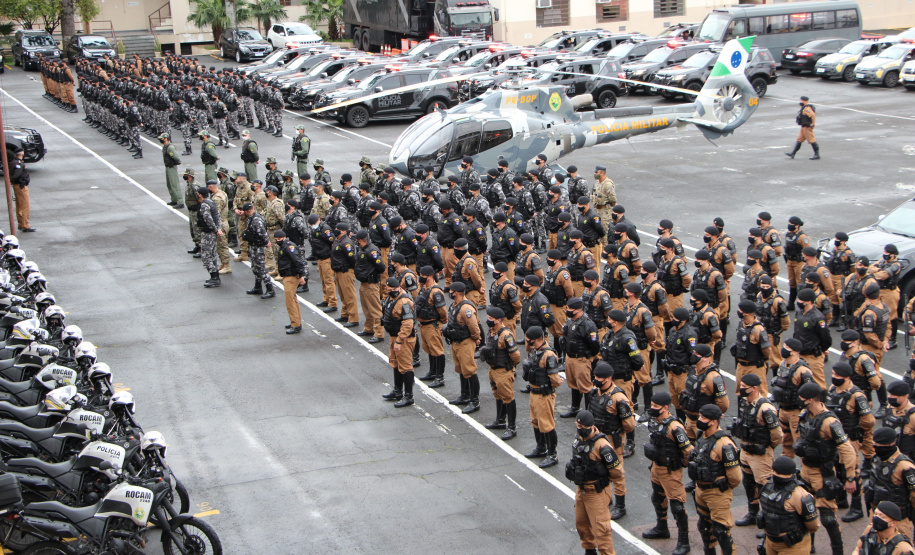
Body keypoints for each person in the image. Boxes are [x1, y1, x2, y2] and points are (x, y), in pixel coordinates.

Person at [794, 381, 858, 555]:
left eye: (801, 398)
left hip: (822, 474)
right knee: (806, 513)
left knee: (828, 518)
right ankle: (810, 547)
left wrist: (850, 477)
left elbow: (847, 450)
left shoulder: (829, 422)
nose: (799, 400)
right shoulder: (805, 415)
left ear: (810, 400)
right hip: (806, 470)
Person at [641, 390, 693, 555]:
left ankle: (684, 542)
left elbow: (688, 451)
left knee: (677, 506)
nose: (652, 408)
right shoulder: (655, 420)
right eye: (651, 405)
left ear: (665, 407)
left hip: (670, 470)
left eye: (655, 406)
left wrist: (681, 464)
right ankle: (662, 527)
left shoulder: (675, 427)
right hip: (657, 467)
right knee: (657, 497)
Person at [566, 409, 622, 555]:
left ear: (591, 426)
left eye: (583, 427)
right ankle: (590, 551)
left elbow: (617, 472)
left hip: (596, 492)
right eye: (578, 426)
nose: (580, 430)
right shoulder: (579, 438)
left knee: (602, 531)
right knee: (582, 525)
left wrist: (606, 486)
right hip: (582, 489)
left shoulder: (602, 445)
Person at [688, 404, 741, 555]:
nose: (700, 420)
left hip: (716, 493)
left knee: (721, 531)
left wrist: (722, 487)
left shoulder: (724, 444)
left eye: (704, 418)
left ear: (714, 421)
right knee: (705, 527)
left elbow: (736, 477)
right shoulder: (702, 436)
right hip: (701, 489)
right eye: (700, 416)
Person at [732, 373, 783, 527]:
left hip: (760, 454)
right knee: (748, 483)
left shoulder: (766, 408)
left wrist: (768, 447)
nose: (741, 389)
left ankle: (768, 520)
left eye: (744, 387)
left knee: (764, 487)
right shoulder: (745, 402)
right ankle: (753, 514)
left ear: (754, 388)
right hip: (746, 451)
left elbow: (777, 435)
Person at [828, 361, 876, 522]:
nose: (834, 377)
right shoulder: (833, 389)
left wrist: (858, 432)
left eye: (837, 375)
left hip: (850, 439)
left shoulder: (857, 395)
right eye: (833, 374)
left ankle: (856, 507)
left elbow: (869, 421)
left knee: (852, 471)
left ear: (847, 377)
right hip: (835, 438)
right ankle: (841, 499)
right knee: (837, 468)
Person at [588, 361, 635, 520]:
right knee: (600, 468)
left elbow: (629, 425)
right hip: (598, 438)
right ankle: (606, 498)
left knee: (616, 471)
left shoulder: (619, 398)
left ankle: (620, 505)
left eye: (598, 377)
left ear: (608, 378)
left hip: (613, 439)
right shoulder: (596, 392)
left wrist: (617, 432)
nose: (595, 379)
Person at [756, 456, 820, 555]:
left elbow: (813, 525)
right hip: (774, 542)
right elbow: (813, 526)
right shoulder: (770, 487)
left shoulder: (798, 494)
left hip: (790, 545)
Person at [865, 427, 915, 541]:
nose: (874, 445)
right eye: (874, 442)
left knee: (897, 546)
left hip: (896, 521)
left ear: (890, 444)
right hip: (877, 514)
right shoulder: (877, 459)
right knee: (873, 544)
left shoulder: (904, 466)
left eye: (878, 444)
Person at [523, 326, 563, 467]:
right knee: (535, 421)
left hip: (544, 394)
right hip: (534, 392)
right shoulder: (534, 351)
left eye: (528, 339)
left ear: (535, 339)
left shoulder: (549, 355)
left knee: (546, 424)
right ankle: (541, 447)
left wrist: (557, 383)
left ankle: (552, 454)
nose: (527, 341)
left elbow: (554, 378)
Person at [480, 306, 522, 440]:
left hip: (503, 371)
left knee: (507, 397)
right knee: (498, 394)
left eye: (491, 318)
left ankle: (512, 427)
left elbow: (516, 355)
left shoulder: (506, 335)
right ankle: (500, 420)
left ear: (498, 320)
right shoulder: (492, 331)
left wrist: (510, 367)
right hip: (493, 369)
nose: (488, 320)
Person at [771, 338, 816, 458]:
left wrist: (805, 411)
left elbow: (811, 391)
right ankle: (787, 464)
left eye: (787, 347)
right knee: (786, 441)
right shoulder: (783, 364)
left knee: (800, 444)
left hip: (796, 412)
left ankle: (804, 466)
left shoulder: (803, 370)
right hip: (783, 409)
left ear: (795, 351)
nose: (783, 349)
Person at [560, 297, 601, 420]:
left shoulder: (587, 324)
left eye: (569, 308)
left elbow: (594, 344)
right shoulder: (570, 321)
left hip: (581, 359)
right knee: (573, 383)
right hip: (570, 357)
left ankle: (589, 412)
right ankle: (575, 408)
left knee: (585, 386)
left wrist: (588, 357)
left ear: (578, 310)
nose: (567, 310)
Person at [444, 282, 482, 413]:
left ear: (456, 292)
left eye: (451, 291)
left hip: (465, 342)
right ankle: (465, 395)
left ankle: (474, 400)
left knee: (469, 370)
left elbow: (474, 327)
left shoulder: (466, 308)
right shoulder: (455, 305)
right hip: (456, 342)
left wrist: (476, 338)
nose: (449, 292)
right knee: (461, 369)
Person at [380, 277, 418, 408]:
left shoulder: (404, 302)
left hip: (403, 338)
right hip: (394, 336)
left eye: (394, 289)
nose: (392, 291)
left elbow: (408, 324)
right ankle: (397, 391)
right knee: (395, 362)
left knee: (405, 366)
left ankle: (409, 396)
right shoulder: (391, 298)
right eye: (390, 289)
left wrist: (399, 341)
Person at [680, 345, 729, 441]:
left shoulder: (713, 377)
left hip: (703, 422)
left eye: (697, 354)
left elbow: (724, 404)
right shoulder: (692, 370)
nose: (693, 355)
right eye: (693, 353)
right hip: (689, 419)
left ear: (705, 358)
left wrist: (712, 415)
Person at [415, 266, 448, 388]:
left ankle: (440, 377)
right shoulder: (424, 288)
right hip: (424, 324)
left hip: (432, 324)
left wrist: (443, 320)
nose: (420, 277)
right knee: (429, 349)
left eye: (423, 275)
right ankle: (432, 372)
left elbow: (442, 310)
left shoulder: (435, 291)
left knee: (437, 350)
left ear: (430, 276)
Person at [732, 299, 772, 395]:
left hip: (754, 367)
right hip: (741, 366)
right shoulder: (742, 324)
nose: (738, 311)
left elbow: (766, 350)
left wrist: (763, 361)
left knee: (759, 393)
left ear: (746, 313)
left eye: (740, 310)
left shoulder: (758, 329)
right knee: (741, 392)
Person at [354, 230, 387, 344]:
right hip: (364, 282)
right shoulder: (363, 249)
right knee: (366, 308)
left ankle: (379, 333)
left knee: (375, 309)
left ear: (360, 240)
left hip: (370, 283)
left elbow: (381, 266)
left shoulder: (372, 250)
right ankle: (369, 328)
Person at [665, 307, 698, 419]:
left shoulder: (689, 334)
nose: (673, 320)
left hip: (682, 372)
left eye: (676, 318)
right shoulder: (673, 330)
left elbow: (693, 355)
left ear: (683, 320)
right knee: (675, 399)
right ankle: (680, 420)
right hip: (671, 370)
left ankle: (686, 422)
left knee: (683, 399)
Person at [273, 230, 306, 334]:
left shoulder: (288, 247)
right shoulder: (285, 246)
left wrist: (301, 275)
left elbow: (297, 261)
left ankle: (295, 324)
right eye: (276, 239)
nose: (277, 241)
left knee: (290, 301)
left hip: (291, 275)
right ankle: (296, 321)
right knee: (293, 299)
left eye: (279, 239)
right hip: (288, 275)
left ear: (284, 237)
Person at [330, 223, 359, 328]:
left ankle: (353, 318)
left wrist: (351, 269)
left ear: (343, 231)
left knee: (349, 295)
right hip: (338, 271)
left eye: (338, 229)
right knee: (343, 295)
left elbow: (352, 258)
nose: (335, 230)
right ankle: (345, 314)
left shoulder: (346, 242)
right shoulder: (338, 240)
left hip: (345, 271)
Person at [240, 202, 272, 298]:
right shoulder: (252, 218)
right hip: (253, 245)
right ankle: (258, 287)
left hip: (258, 246)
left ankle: (270, 289)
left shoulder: (256, 219)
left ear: (246, 211)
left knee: (261, 267)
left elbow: (262, 232)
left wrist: (266, 241)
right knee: (255, 267)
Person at [196, 187, 222, 288]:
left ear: (200, 195)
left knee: (206, 256)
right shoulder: (212, 202)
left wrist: (215, 229)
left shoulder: (204, 205)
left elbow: (208, 218)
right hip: (213, 232)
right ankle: (216, 276)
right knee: (212, 254)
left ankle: (214, 276)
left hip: (208, 233)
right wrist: (218, 229)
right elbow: (218, 216)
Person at [206, 180, 232, 276]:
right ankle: (223, 264)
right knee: (220, 246)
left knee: (222, 246)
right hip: (223, 222)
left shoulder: (217, 198)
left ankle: (227, 266)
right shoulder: (222, 193)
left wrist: (216, 227)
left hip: (220, 224)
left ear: (210, 187)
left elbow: (216, 213)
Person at [885, 380, 915, 459]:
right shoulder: (889, 408)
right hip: (889, 455)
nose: (890, 397)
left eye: (893, 395)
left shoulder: (913, 415)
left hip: (907, 459)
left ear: (904, 396)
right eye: (889, 394)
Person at [786, 95, 819, 160]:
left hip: (807, 127)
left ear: (805, 101)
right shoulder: (804, 108)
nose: (801, 102)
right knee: (799, 140)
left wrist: (813, 124)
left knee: (812, 140)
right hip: (803, 127)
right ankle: (793, 153)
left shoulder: (807, 109)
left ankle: (817, 154)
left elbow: (813, 115)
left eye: (802, 101)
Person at [8, 149, 34, 232]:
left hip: (17, 185)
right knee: (25, 205)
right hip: (21, 186)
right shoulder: (19, 163)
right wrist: (21, 181)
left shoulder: (13, 162)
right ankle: (25, 225)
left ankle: (20, 223)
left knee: (19, 205)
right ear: (21, 153)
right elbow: (17, 174)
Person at [159, 133, 183, 208]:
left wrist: (176, 162)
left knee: (174, 184)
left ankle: (180, 201)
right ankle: (174, 199)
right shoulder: (165, 147)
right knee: (169, 184)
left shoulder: (170, 147)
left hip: (171, 167)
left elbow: (176, 157)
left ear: (166, 138)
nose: (160, 140)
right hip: (168, 166)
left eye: (162, 138)